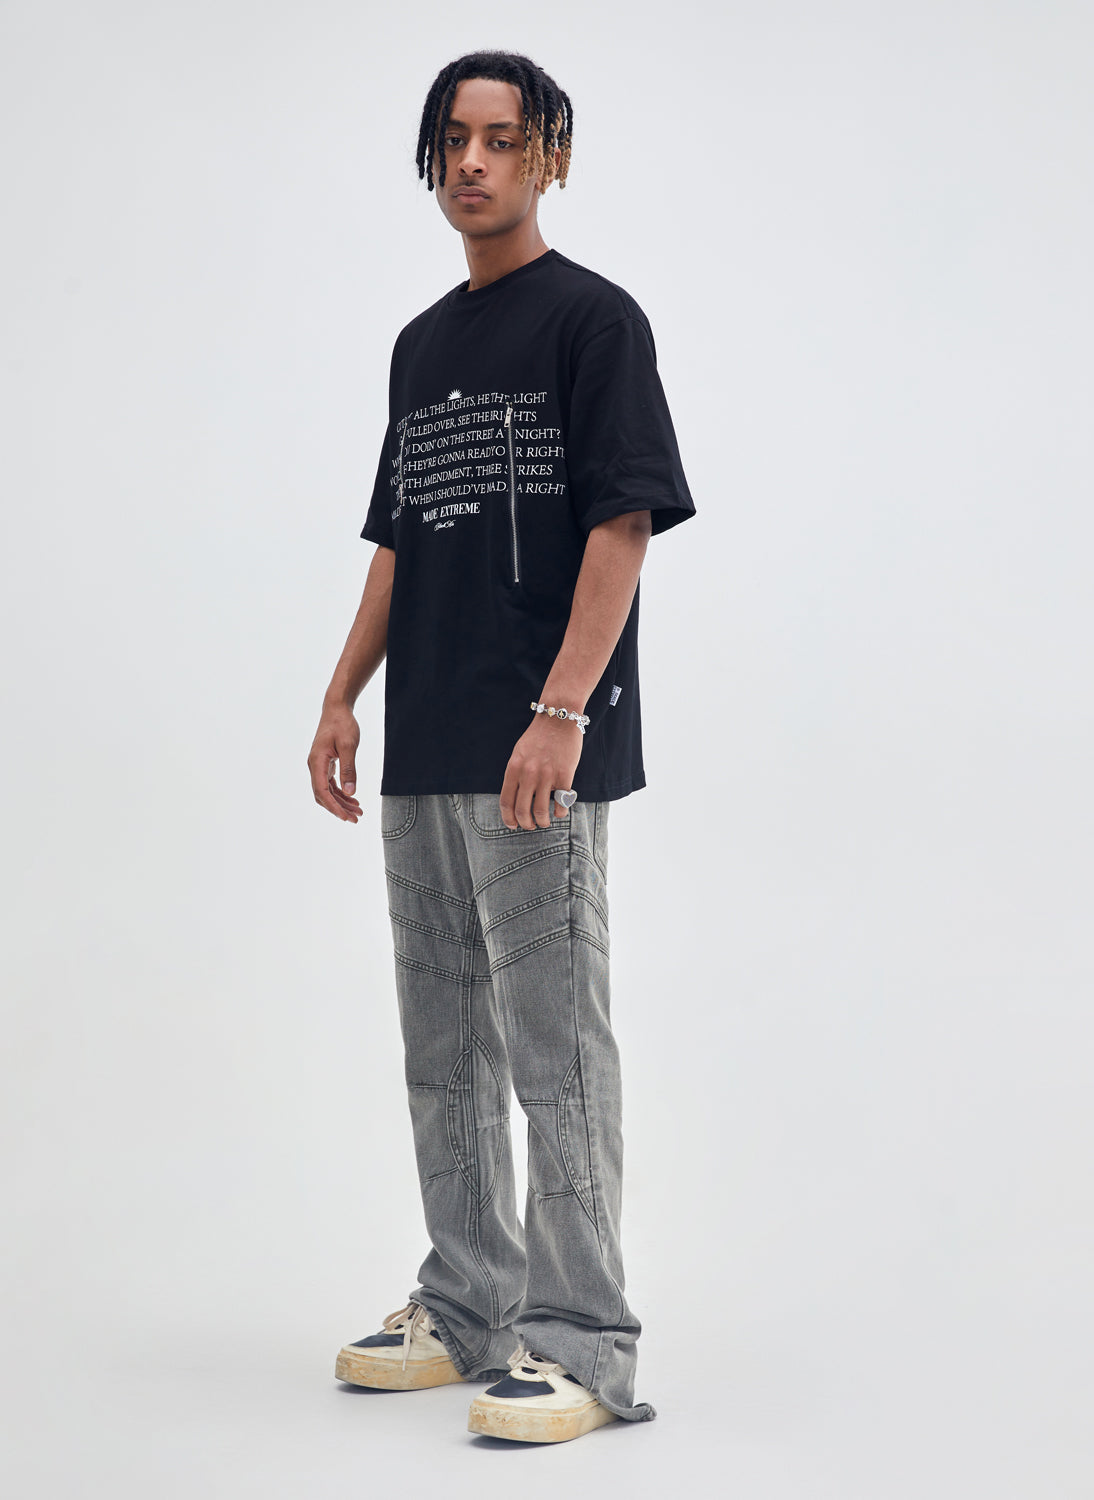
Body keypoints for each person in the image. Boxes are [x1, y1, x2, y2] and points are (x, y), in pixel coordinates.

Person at [308, 49, 696, 1445]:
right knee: (444, 1048)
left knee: (553, 1048)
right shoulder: (421, 347)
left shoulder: (595, 322)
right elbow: (399, 542)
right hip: (427, 741)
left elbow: (622, 525)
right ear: (433, 162)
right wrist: (342, 696)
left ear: (549, 159)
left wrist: (561, 711)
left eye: (503, 139)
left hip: (541, 746)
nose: (473, 162)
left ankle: (583, 1340)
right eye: (454, 141)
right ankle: (469, 1302)